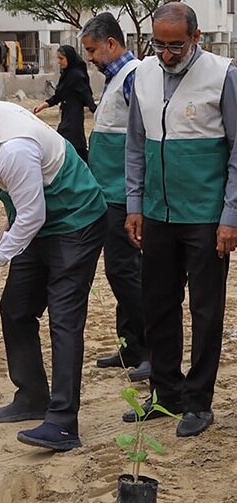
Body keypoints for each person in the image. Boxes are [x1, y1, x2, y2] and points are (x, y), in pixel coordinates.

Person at [0, 82, 107, 451]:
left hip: (76, 221)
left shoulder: (12, 145)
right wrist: (3, 246)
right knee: (15, 309)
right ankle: (31, 396)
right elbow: (23, 209)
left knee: (64, 318)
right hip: (39, 223)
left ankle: (62, 423)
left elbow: (31, 214)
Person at [123, 2, 237, 437]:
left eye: (176, 45)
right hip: (157, 213)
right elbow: (136, 145)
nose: (167, 55)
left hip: (207, 217)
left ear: (196, 39)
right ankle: (166, 395)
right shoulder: (143, 75)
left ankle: (198, 402)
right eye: (159, 45)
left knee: (206, 311)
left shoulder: (224, 75)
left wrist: (230, 215)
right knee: (158, 306)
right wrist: (135, 204)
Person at [80, 12, 150, 381]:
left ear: (111, 44)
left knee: (125, 271)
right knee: (121, 272)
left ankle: (150, 349)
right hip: (108, 191)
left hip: (125, 195)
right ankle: (130, 347)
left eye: (92, 50)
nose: (89, 58)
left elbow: (142, 139)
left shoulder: (133, 76)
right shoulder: (115, 78)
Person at [33, 45, 96, 162]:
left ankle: (85, 167)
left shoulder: (77, 75)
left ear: (69, 58)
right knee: (69, 143)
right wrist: (43, 105)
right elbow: (59, 96)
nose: (59, 62)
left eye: (61, 59)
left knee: (72, 143)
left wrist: (96, 111)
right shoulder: (67, 74)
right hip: (66, 114)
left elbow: (86, 94)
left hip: (74, 115)